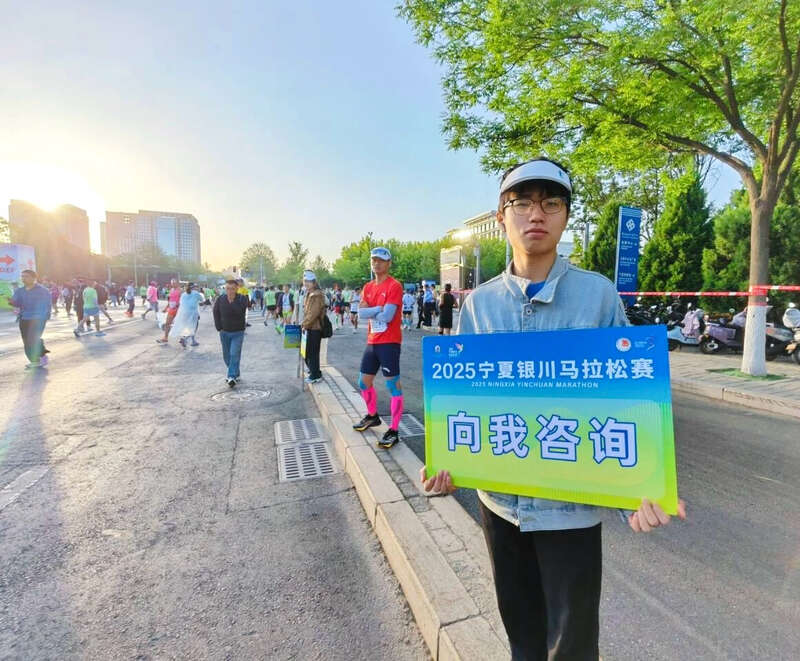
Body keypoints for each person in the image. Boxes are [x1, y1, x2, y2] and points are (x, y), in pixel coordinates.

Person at [420, 157, 687, 660]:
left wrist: (644, 487)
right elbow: (461, 400)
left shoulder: (597, 296)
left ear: (566, 216)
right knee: (521, 635)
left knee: (573, 643)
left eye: (551, 202)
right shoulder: (479, 306)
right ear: (502, 217)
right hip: (501, 506)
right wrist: (447, 462)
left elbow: (630, 396)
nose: (536, 213)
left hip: (571, 513)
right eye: (522, 202)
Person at [352, 247, 404, 449]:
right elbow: (360, 313)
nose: (376, 263)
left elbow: (388, 316)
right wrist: (377, 309)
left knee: (393, 386)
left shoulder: (394, 286)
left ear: (389, 263)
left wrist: (371, 311)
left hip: (389, 342)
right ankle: (373, 416)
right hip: (372, 341)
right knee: (363, 382)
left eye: (381, 260)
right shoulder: (367, 287)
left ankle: (394, 430)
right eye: (374, 260)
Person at [10, 269, 51, 369]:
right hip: (24, 317)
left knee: (33, 338)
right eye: (22, 276)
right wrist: (11, 302)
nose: (23, 278)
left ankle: (40, 356)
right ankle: (35, 360)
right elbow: (17, 303)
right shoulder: (20, 291)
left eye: (26, 276)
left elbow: (47, 304)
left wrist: (45, 317)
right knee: (26, 341)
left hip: (38, 318)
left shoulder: (42, 291)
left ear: (34, 278)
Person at [213, 279, 249, 387]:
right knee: (227, 356)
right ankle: (235, 372)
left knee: (234, 354)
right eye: (227, 289)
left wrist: (232, 301)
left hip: (238, 332)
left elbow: (240, 312)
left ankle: (231, 376)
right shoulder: (221, 299)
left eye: (232, 289)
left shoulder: (242, 299)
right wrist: (219, 327)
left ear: (237, 289)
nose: (230, 291)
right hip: (224, 332)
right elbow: (216, 312)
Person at [300, 270, 326, 383]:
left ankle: (315, 375)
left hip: (314, 327)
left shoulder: (317, 295)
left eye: (309, 281)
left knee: (312, 353)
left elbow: (313, 313)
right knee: (308, 352)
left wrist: (304, 324)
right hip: (309, 327)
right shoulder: (309, 293)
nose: (306, 283)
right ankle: (314, 371)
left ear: (314, 282)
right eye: (305, 281)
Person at [169, 282, 205, 348]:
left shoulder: (184, 294)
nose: (197, 288)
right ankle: (185, 339)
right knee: (194, 327)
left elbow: (181, 303)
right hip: (192, 313)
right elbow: (202, 301)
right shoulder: (196, 293)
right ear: (194, 287)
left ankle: (193, 341)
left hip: (183, 313)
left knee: (186, 326)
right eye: (196, 287)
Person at [157, 279, 181, 344]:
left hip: (179, 310)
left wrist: (178, 305)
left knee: (180, 324)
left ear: (177, 283)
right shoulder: (171, 290)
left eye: (174, 283)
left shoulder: (180, 290)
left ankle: (184, 338)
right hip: (171, 309)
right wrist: (166, 308)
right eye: (172, 283)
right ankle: (165, 338)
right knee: (167, 323)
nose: (173, 284)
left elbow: (183, 300)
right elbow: (170, 300)